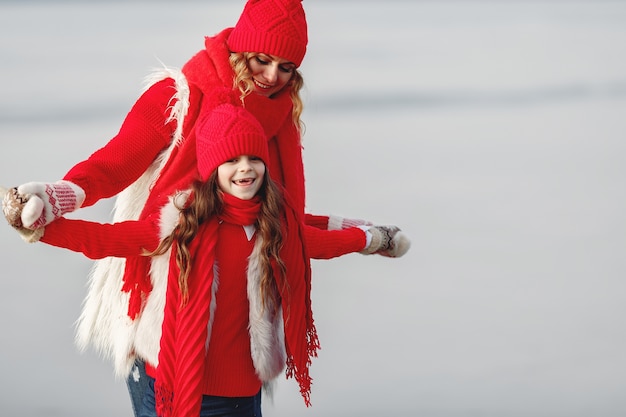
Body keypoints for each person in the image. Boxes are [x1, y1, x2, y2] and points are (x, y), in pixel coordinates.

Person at [2, 0, 410, 415]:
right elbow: (114, 165)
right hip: (169, 311)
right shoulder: (178, 97)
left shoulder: (278, 117)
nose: (272, 77)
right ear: (239, 51)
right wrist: (56, 199)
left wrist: (365, 234)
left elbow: (277, 216)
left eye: (286, 67)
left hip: (244, 329)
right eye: (262, 60)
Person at [9, 104, 326, 417]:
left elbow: (320, 241)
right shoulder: (182, 222)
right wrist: (43, 230)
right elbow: (110, 240)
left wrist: (371, 239)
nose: (245, 168)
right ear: (213, 167)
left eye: (254, 158)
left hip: (244, 398)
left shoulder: (273, 226)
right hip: (177, 392)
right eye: (232, 159)